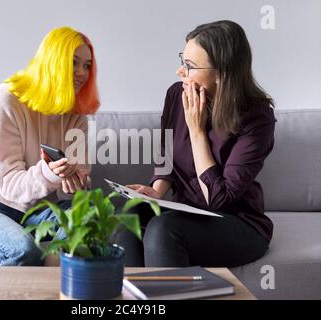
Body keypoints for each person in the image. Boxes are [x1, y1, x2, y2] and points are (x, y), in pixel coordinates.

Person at [118, 20, 276, 267]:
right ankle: (133, 300)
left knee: (163, 229)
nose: (180, 71)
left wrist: (197, 131)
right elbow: (167, 154)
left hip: (237, 222)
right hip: (185, 212)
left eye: (189, 66)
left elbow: (218, 200)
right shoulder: (176, 94)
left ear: (221, 74)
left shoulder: (257, 117)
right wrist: (156, 191)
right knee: (130, 215)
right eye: (183, 61)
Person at [0, 26, 100, 266]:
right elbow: (11, 185)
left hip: (37, 210)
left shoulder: (77, 117)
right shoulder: (9, 97)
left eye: (87, 65)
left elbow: (69, 193)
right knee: (25, 252)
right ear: (53, 61)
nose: (81, 73)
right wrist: (49, 172)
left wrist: (75, 182)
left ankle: (65, 290)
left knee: (86, 218)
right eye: (74, 62)